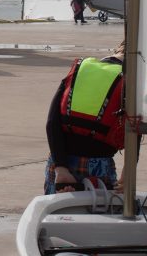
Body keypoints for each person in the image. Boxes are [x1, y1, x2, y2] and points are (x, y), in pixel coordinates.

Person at [44, 43, 127, 194]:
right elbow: (135, 128)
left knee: (57, 208)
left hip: (62, 162)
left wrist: (61, 168)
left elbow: (52, 123)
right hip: (99, 165)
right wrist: (128, 173)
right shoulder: (129, 82)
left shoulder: (80, 70)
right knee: (100, 209)